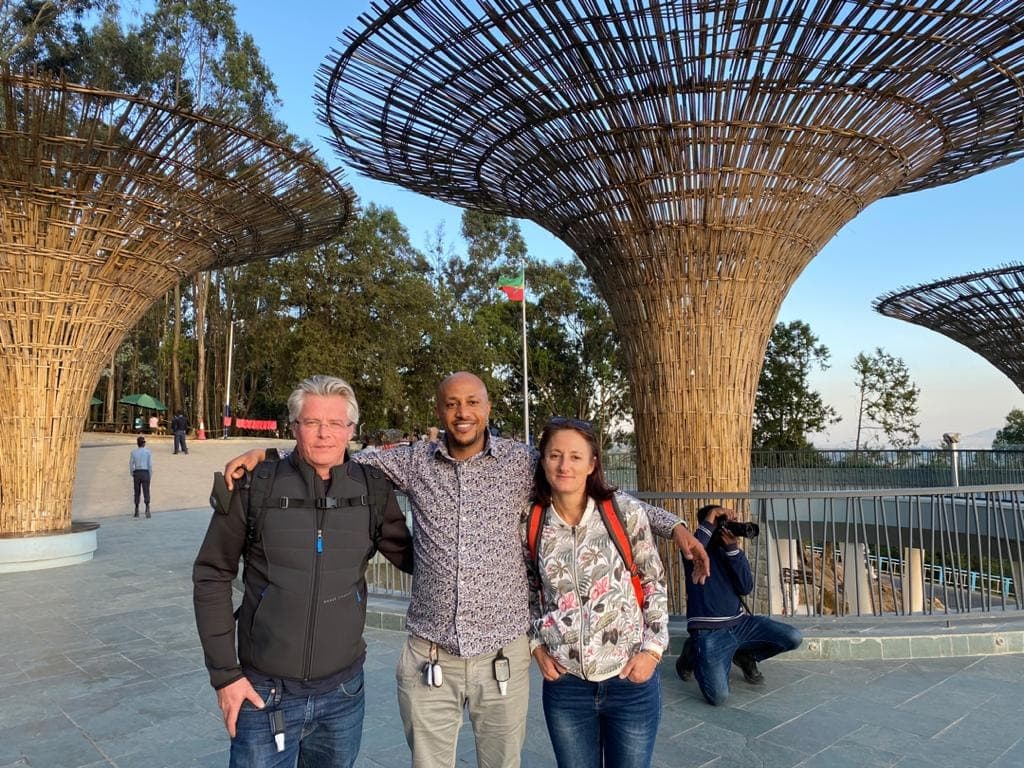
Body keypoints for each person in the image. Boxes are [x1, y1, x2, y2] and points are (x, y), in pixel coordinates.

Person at [224, 371, 709, 768]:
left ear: (487, 408)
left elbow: (596, 492)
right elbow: (335, 452)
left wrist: (677, 528)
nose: (462, 413)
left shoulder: (522, 462)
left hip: (501, 652)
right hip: (429, 651)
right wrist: (272, 454)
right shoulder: (414, 461)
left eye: (472, 402)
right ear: (440, 410)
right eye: (452, 404)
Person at [193, 375, 414, 768]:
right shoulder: (253, 487)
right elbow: (212, 574)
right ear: (294, 427)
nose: (324, 434)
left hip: (343, 695)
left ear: (351, 430)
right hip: (263, 694)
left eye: (336, 424)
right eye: (312, 423)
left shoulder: (373, 490)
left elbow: (414, 558)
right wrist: (225, 676)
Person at [525, 417, 667, 768]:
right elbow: (525, 589)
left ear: (592, 464)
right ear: (542, 460)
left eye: (575, 456)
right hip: (566, 686)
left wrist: (652, 650)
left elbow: (653, 581)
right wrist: (536, 646)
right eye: (555, 455)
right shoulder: (530, 520)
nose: (564, 465)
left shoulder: (624, 511)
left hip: (628, 680)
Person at [676, 504, 803, 706]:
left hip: (740, 624)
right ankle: (692, 652)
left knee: (793, 637)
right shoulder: (694, 552)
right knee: (718, 697)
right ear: (709, 525)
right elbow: (694, 547)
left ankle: (744, 653)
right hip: (709, 632)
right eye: (721, 523)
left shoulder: (730, 551)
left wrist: (733, 551)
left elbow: (745, 587)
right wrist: (711, 516)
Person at [129, 435, 153, 518]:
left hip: (137, 472)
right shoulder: (148, 452)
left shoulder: (133, 452)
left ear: (137, 444)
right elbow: (150, 465)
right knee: (146, 491)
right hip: (145, 472)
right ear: (144, 444)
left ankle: (136, 509)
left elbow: (131, 465)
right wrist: (150, 474)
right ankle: (147, 508)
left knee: (137, 491)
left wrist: (132, 473)